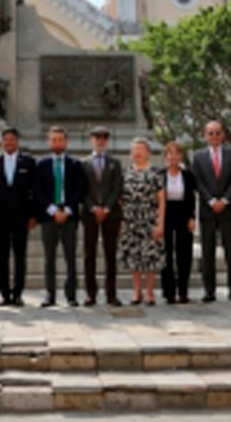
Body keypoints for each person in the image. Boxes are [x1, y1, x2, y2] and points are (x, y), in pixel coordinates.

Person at [191, 121, 231, 302]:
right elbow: (197, 181)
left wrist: (226, 199)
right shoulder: (198, 156)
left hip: (228, 209)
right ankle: (209, 291)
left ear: (223, 135)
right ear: (205, 135)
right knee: (208, 252)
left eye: (217, 133)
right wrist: (211, 200)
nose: (214, 136)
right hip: (207, 209)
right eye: (210, 133)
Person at [0, 127, 36, 307]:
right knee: (1, 256)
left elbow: (33, 191)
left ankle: (18, 293)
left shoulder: (28, 162)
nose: (9, 142)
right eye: (6, 139)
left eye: (12, 139)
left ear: (17, 141)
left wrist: (32, 215)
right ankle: (5, 293)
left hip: (21, 217)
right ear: (1, 142)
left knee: (20, 256)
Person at [34, 125, 85, 308]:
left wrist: (68, 210)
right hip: (49, 215)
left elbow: (80, 189)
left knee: (70, 257)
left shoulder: (75, 164)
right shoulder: (41, 165)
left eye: (60, 139)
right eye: (53, 139)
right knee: (49, 257)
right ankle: (50, 295)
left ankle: (71, 295)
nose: (57, 143)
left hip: (69, 215)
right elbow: (37, 190)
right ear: (49, 141)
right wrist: (52, 210)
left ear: (66, 141)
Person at [119, 137, 166, 306]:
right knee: (134, 256)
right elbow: (121, 199)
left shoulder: (155, 172)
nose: (138, 152)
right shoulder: (125, 172)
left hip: (149, 218)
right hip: (131, 219)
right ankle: (136, 291)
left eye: (141, 149)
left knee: (151, 256)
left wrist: (161, 222)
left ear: (148, 152)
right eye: (135, 149)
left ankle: (150, 292)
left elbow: (162, 200)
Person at [81, 126, 123, 307]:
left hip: (111, 214)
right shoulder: (83, 163)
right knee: (89, 254)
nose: (100, 140)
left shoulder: (115, 163)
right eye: (96, 137)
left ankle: (111, 294)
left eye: (103, 137)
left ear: (107, 141)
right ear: (91, 139)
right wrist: (93, 208)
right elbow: (81, 190)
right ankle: (91, 293)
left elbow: (117, 188)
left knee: (110, 254)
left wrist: (106, 207)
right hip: (90, 214)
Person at [159, 142, 196, 305]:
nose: (173, 156)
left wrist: (191, 217)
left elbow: (191, 199)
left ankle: (183, 291)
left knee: (184, 253)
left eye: (177, 153)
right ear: (165, 156)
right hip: (166, 213)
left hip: (183, 213)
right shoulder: (159, 175)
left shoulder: (188, 176)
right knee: (165, 252)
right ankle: (169, 292)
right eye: (170, 153)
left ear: (181, 156)